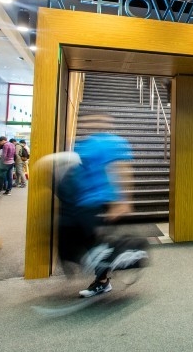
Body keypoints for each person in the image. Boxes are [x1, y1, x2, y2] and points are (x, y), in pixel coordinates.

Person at [56, 114, 142, 298]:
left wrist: (123, 200)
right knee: (80, 240)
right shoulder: (83, 144)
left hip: (101, 199)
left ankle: (104, 279)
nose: (91, 124)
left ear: (106, 124)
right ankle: (102, 275)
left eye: (96, 121)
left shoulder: (113, 142)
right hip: (81, 200)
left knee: (94, 244)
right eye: (88, 121)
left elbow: (122, 168)